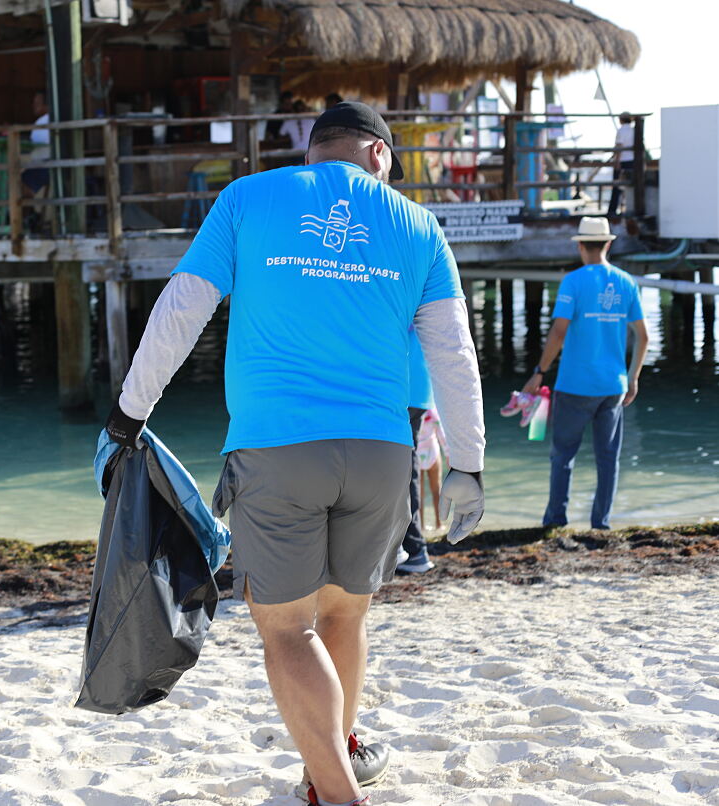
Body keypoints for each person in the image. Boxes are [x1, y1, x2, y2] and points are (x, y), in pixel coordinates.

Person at [103, 101, 486, 806]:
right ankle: (329, 764)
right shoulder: (418, 223)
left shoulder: (248, 197)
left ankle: (337, 794)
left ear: (315, 154)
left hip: (275, 448)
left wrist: (131, 410)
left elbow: (183, 305)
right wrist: (467, 462)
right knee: (345, 616)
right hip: (381, 455)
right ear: (378, 154)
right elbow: (453, 354)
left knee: (287, 629)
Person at [522, 216, 648, 531]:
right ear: (607, 244)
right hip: (613, 387)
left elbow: (558, 333)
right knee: (608, 459)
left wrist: (540, 371)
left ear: (580, 245)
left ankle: (555, 520)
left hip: (575, 385)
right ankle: (601, 523)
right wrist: (633, 377)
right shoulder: (626, 282)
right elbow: (644, 336)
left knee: (563, 455)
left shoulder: (573, 282)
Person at [396, 328, 436, 574]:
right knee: (405, 470)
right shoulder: (422, 290)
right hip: (419, 389)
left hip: (402, 389)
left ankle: (410, 548)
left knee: (398, 472)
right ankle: (412, 548)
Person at [21, 91, 52, 199]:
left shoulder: (45, 120)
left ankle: (26, 213)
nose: (33, 106)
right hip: (42, 164)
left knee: (20, 186)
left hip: (46, 164)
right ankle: (30, 212)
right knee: (20, 181)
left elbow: (38, 143)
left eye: (37, 103)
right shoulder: (42, 120)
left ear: (46, 105)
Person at [606, 114, 635, 217]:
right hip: (632, 161)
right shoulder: (634, 130)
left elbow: (619, 146)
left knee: (616, 186)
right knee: (630, 186)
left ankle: (612, 210)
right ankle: (628, 208)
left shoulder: (621, 131)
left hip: (622, 161)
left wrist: (616, 161)